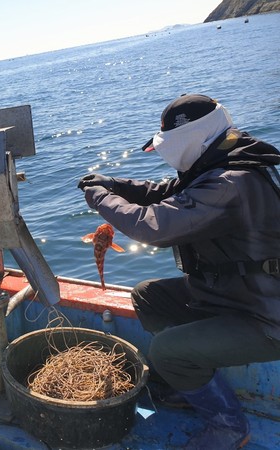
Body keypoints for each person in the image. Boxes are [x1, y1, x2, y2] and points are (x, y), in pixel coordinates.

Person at [77, 94, 280, 449]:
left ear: (189, 138)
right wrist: (113, 184)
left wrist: (100, 197)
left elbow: (154, 227)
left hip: (267, 316)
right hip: (239, 293)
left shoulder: (230, 181)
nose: (162, 153)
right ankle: (191, 381)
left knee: (167, 350)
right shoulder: (218, 162)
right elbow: (160, 193)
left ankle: (229, 426)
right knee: (148, 296)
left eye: (166, 144)